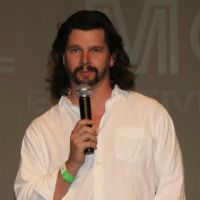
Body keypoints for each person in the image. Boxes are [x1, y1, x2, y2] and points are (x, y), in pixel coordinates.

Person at [14, 10, 185, 200]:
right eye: (76, 50)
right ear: (63, 58)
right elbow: (25, 196)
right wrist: (70, 166)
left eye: (95, 50)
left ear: (112, 58)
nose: (85, 60)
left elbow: (172, 190)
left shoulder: (150, 115)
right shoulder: (41, 131)